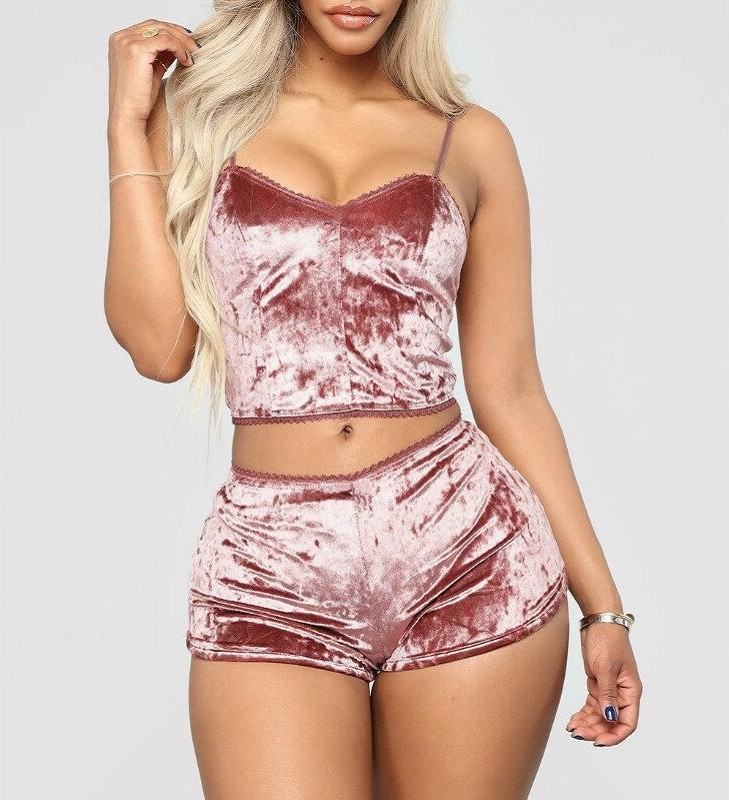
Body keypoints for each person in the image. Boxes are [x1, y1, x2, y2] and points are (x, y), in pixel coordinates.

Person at [105, 1, 643, 797]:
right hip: (271, 564)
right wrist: (126, 126)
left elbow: (510, 390)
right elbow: (158, 349)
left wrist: (602, 609)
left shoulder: (472, 139)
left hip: (468, 553)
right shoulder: (197, 121)